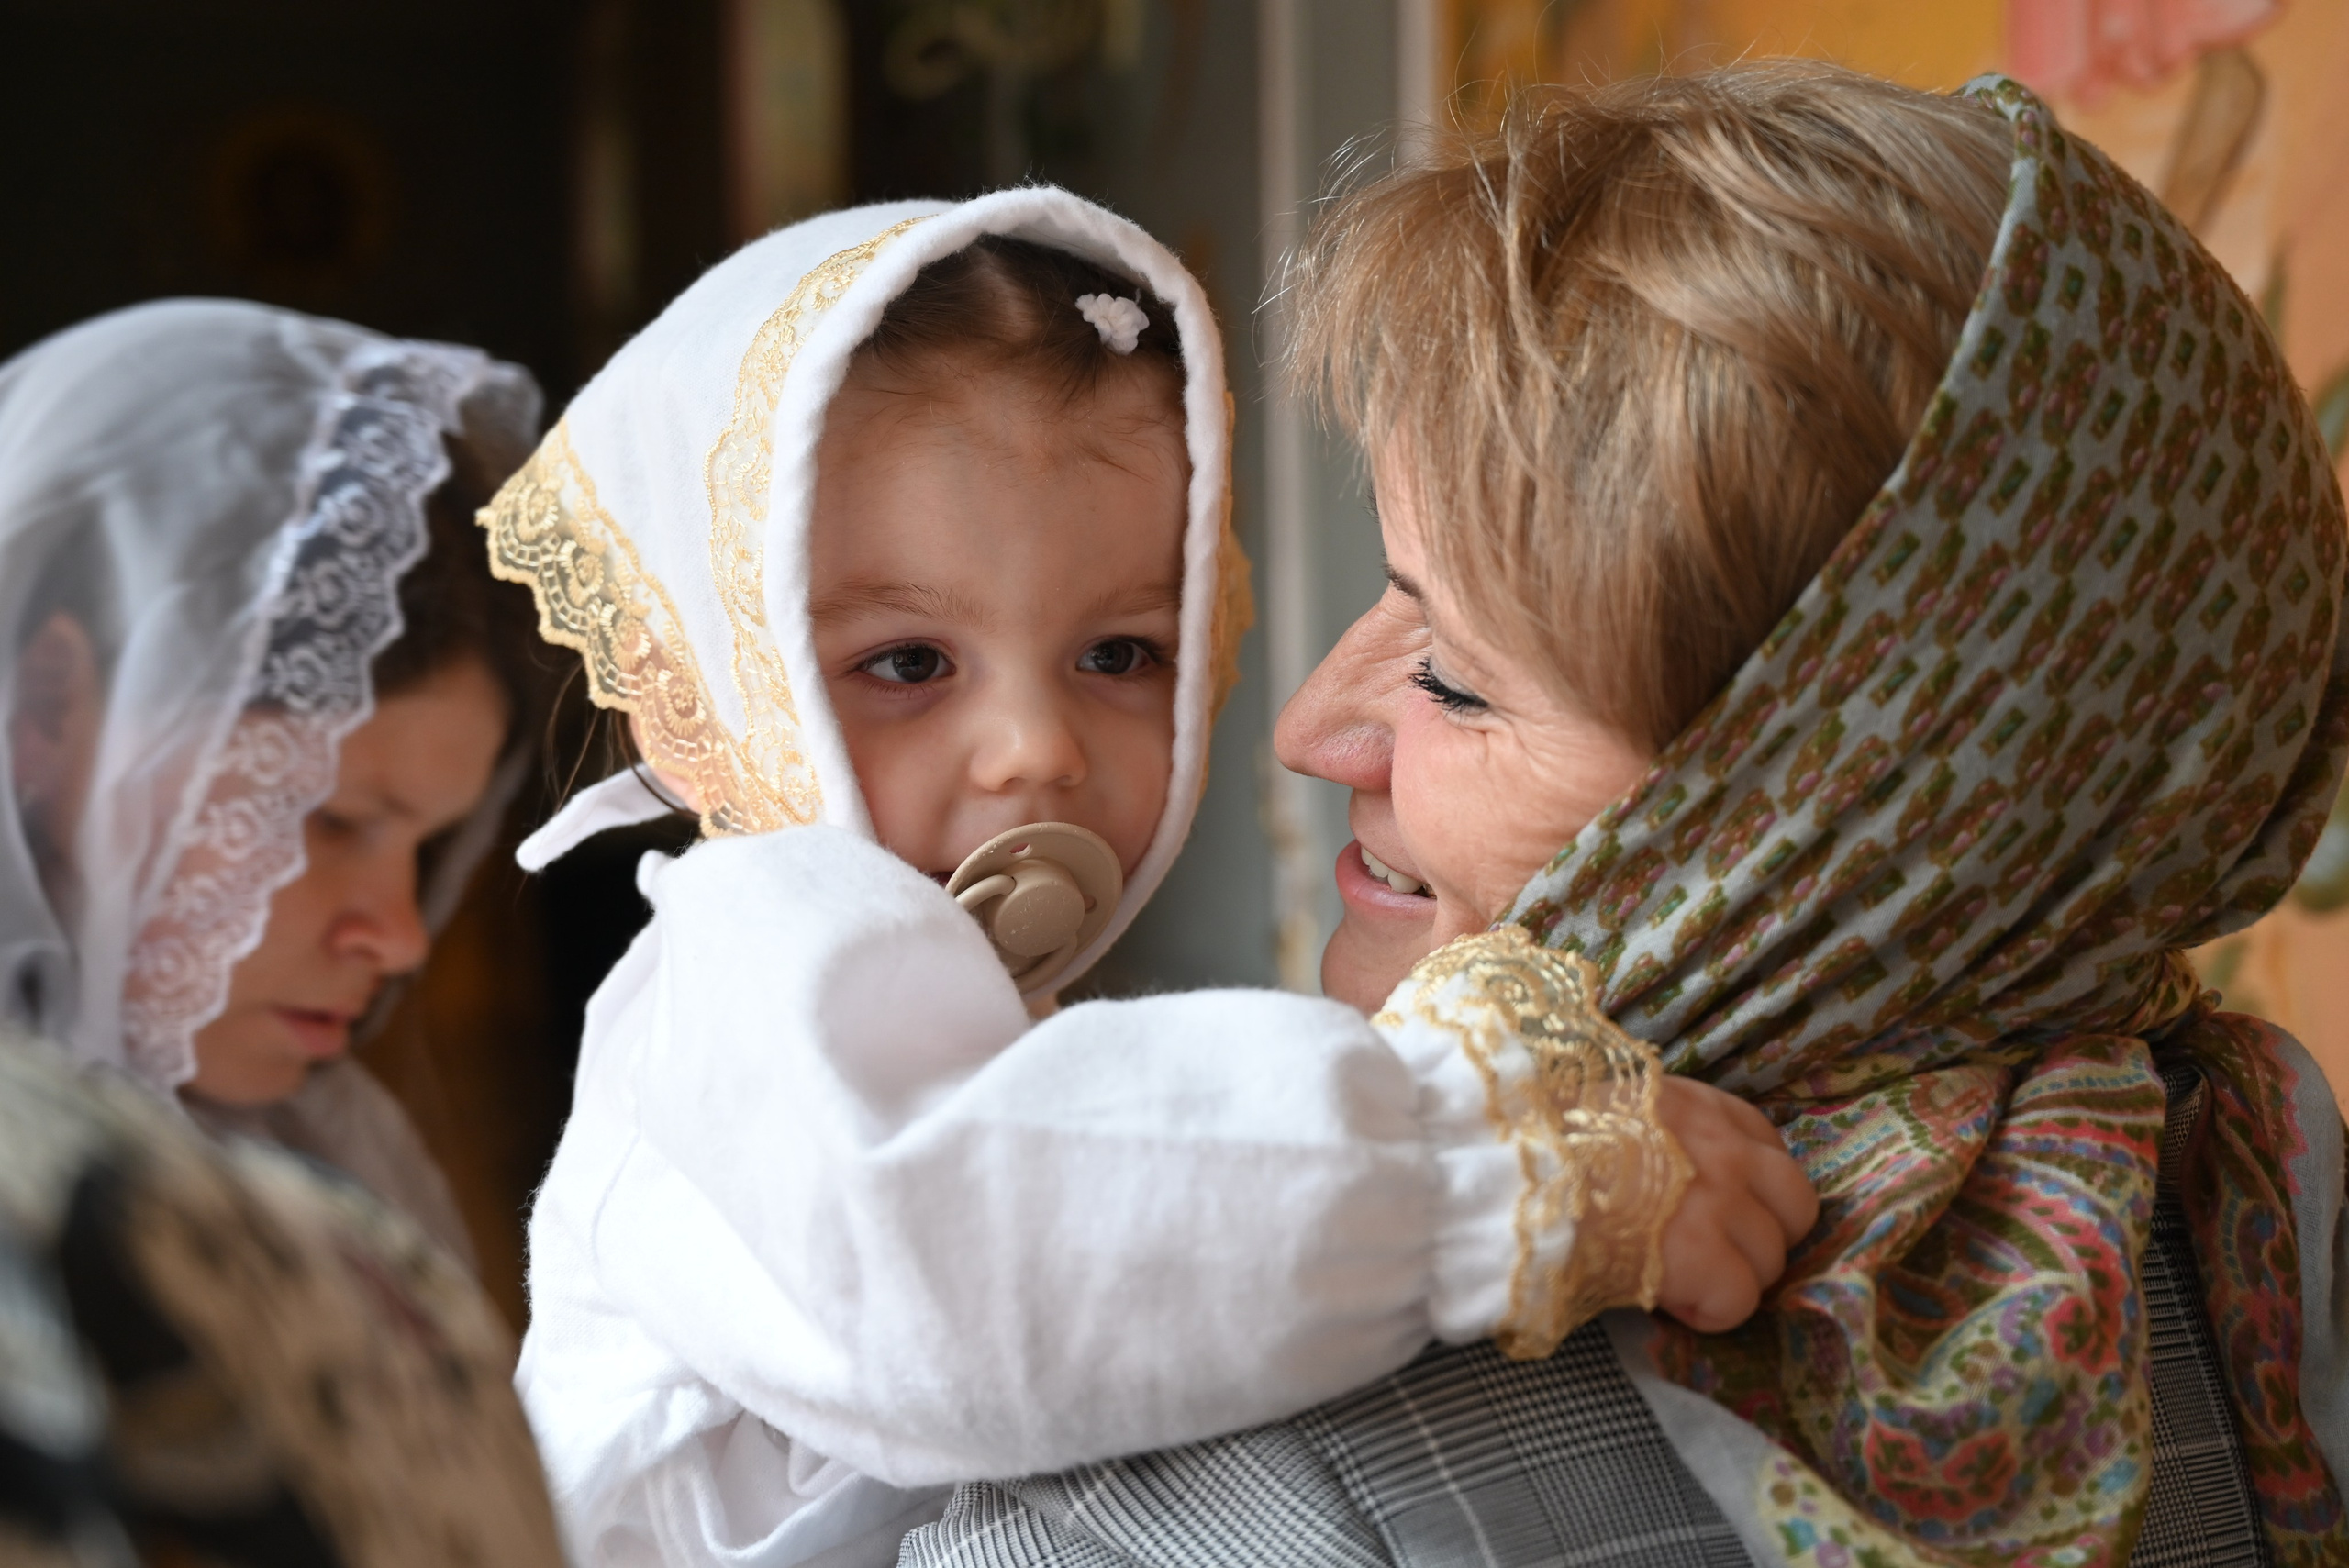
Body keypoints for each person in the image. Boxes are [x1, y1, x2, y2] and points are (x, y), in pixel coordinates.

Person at [900, 64, 2349, 1568]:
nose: (1310, 729)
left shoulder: (1225, 1460)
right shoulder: (2256, 1226)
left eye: (1455, 678)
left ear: (1829, 814)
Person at [497, 192, 1815, 1568]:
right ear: (709, 688)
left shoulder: (958, 1001)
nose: (1036, 746)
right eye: (907, 664)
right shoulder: (755, 940)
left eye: (1118, 654)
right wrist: (1501, 1164)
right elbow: (958, 1278)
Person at [0, 299, 564, 1562]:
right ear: (47, 710)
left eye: (429, 848)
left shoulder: (328, 1169)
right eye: (330, 817)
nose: (399, 937)